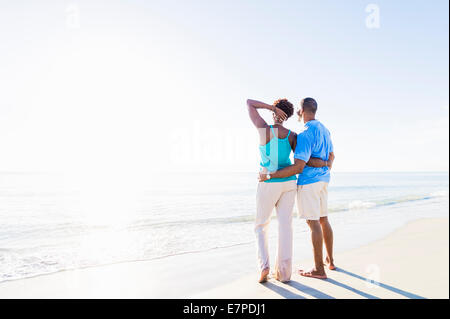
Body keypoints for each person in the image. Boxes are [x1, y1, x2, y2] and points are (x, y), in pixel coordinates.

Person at [247, 98, 328, 283]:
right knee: (285, 227)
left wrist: (270, 107)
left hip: (267, 182)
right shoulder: (293, 136)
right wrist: (324, 163)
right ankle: (284, 273)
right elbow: (303, 161)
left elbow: (249, 103)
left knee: (261, 226)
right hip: (289, 183)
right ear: (289, 115)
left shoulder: (263, 129)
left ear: (275, 112)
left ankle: (264, 267)